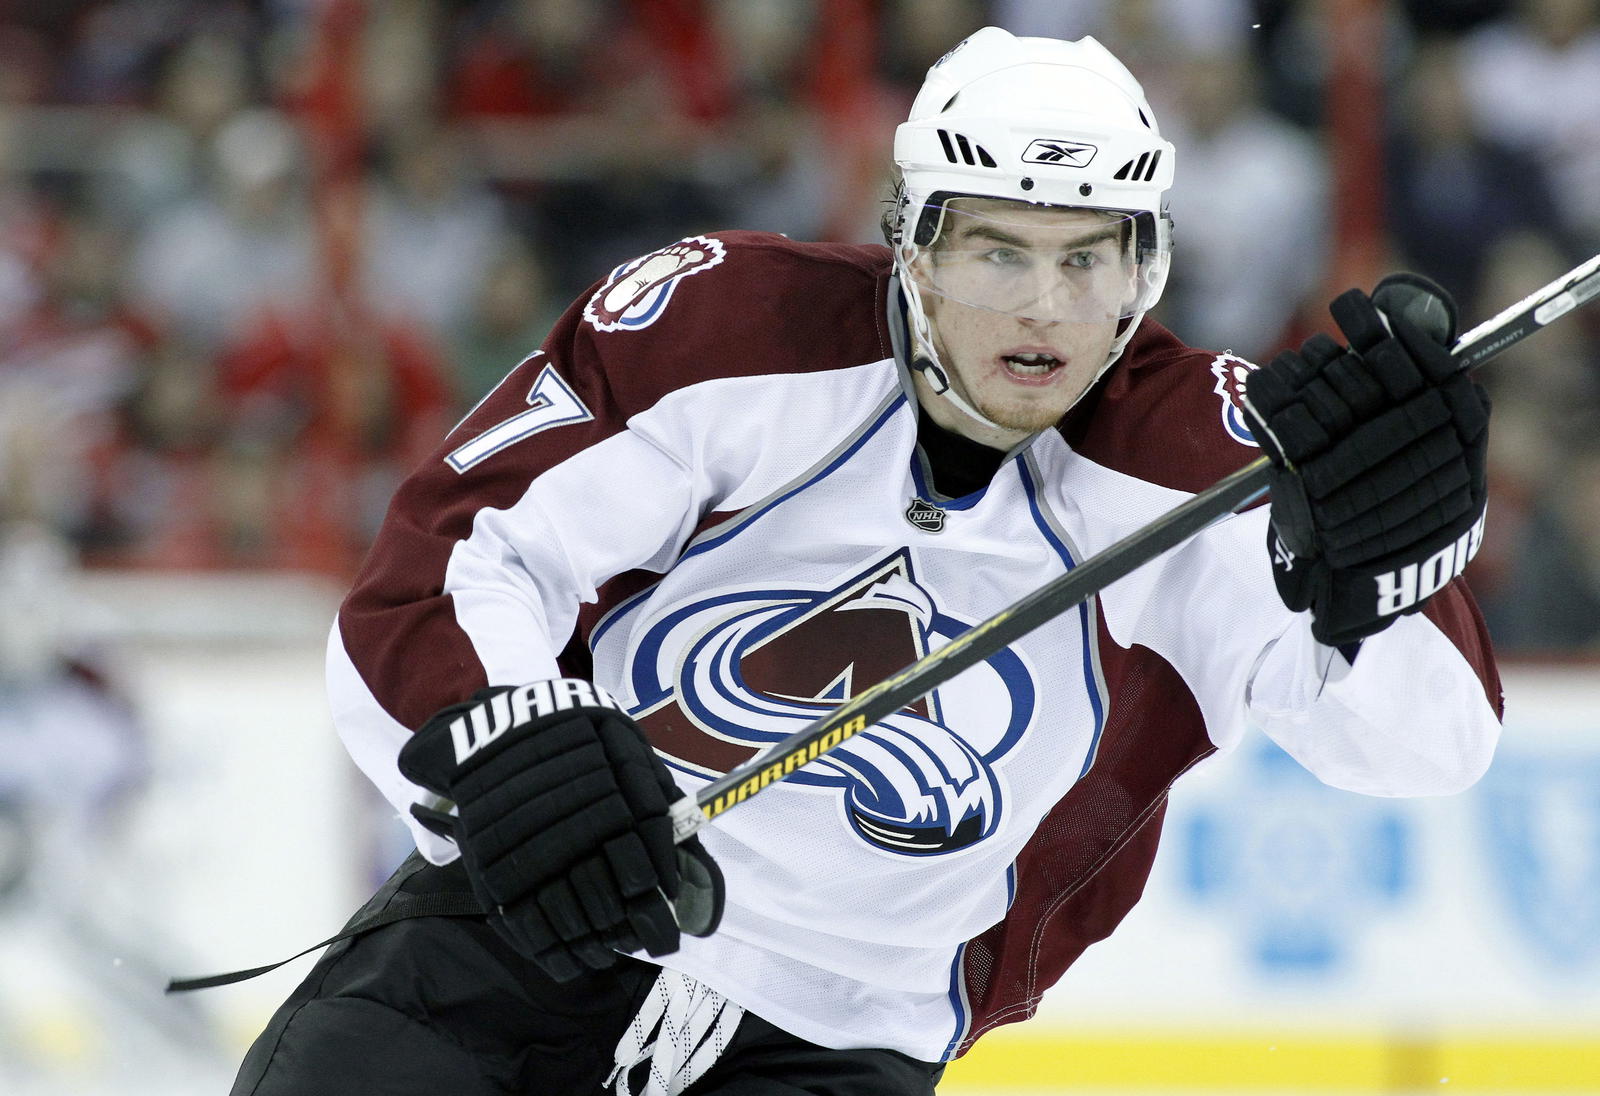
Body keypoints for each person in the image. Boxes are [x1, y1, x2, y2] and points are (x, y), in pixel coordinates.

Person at [230, 27, 1501, 1096]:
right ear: (914, 241)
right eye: (998, 250)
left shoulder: (1217, 462)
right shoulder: (727, 327)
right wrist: (511, 740)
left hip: (840, 1047)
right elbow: (448, 564)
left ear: (1142, 265)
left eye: (1085, 257)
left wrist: (1376, 583)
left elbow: (1430, 748)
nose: (1044, 310)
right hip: (517, 946)